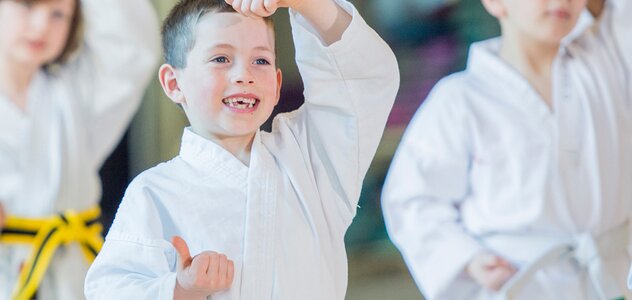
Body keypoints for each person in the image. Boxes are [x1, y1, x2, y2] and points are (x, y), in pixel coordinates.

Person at [84, 0, 399, 298]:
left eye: (260, 60)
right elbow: (107, 290)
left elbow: (366, 78)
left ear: (277, 85)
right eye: (221, 59)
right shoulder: (153, 193)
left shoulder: (309, 155)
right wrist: (181, 289)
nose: (244, 75)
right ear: (173, 83)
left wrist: (303, 3)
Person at [381, 0, 631, 299]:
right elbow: (412, 200)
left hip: (610, 279)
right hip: (518, 283)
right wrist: (467, 258)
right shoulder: (459, 100)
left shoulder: (607, 64)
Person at [0, 0, 160, 298]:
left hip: (72, 276)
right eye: (26, 5)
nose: (42, 25)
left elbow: (129, 48)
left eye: (59, 14)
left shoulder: (76, 95)